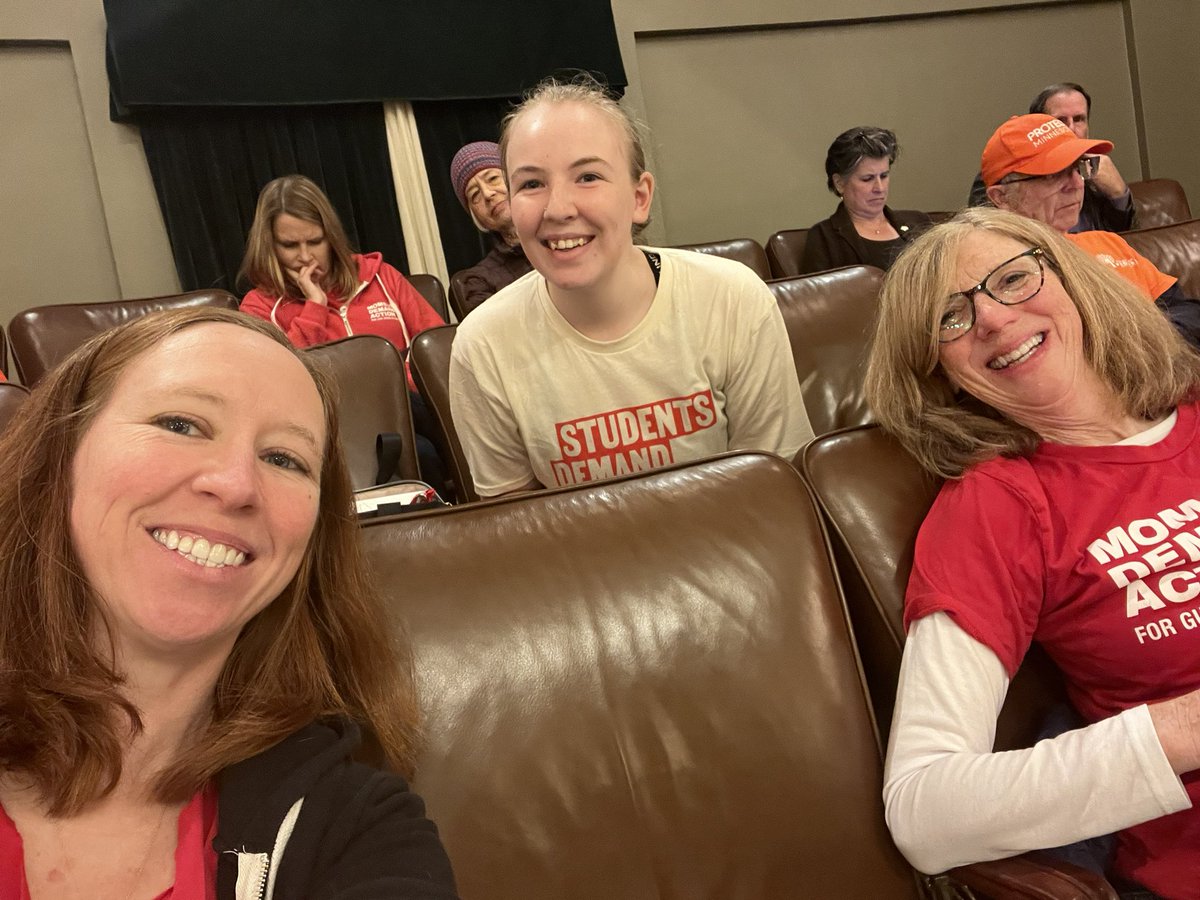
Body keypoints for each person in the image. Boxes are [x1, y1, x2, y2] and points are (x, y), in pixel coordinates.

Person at [0, 307, 458, 898]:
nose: (237, 484)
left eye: (283, 459)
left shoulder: (357, 831)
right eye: (181, 424)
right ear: (61, 455)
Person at [865, 207, 1200, 899]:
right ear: (941, 372)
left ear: (1072, 280)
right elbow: (926, 808)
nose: (990, 317)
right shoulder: (998, 506)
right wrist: (1183, 728)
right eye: (950, 319)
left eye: (1013, 278)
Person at [448, 75, 813, 498]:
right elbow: (519, 525)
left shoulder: (732, 299)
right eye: (531, 183)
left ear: (640, 198)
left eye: (587, 176)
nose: (558, 208)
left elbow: (776, 494)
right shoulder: (483, 346)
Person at [239, 174, 449, 492]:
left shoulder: (382, 278)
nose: (305, 256)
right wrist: (315, 307)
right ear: (270, 245)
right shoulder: (258, 306)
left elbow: (440, 350)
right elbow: (275, 382)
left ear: (331, 238)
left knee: (427, 448)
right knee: (422, 449)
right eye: (290, 245)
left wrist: (397, 382)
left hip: (411, 410)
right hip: (330, 424)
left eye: (315, 241)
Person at [981, 113, 1200, 348]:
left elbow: (1187, 312)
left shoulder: (1107, 242)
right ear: (1001, 197)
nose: (1076, 184)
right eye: (1052, 175)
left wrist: (1146, 346)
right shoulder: (1000, 280)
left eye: (1078, 168)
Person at [968, 82, 1136, 234]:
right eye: (1061, 120)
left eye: (1079, 119)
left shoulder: (1094, 168)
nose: (1071, 128)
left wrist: (1119, 194)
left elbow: (1123, 239)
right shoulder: (1002, 174)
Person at [799, 126, 932, 274]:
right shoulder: (824, 239)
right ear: (840, 183)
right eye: (867, 179)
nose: (879, 188)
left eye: (884, 176)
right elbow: (821, 296)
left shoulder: (919, 222)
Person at [448, 141, 534, 317]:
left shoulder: (569, 237)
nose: (487, 193)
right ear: (476, 217)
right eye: (475, 194)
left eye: (493, 179)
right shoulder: (477, 283)